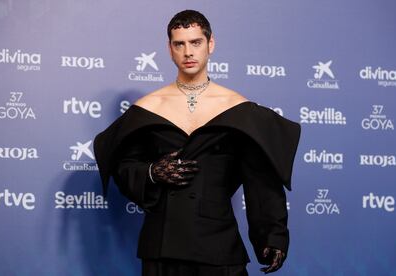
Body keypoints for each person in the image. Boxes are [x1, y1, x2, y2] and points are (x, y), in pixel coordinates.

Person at [94, 10, 301, 276]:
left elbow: (260, 178)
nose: (188, 52)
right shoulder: (149, 108)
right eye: (179, 44)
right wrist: (151, 173)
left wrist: (273, 236)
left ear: (210, 44)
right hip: (162, 247)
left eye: (195, 42)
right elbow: (124, 167)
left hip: (218, 246)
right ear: (170, 49)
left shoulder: (238, 109)